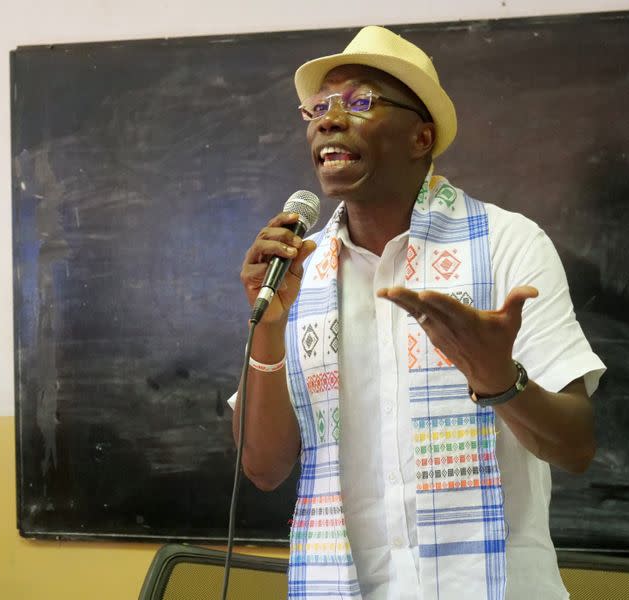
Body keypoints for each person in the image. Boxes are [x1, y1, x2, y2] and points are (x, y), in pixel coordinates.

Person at [231, 25, 606, 600]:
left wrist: (499, 380)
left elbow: (575, 446)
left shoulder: (508, 245)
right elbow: (263, 469)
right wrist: (269, 332)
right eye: (318, 107)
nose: (328, 120)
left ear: (420, 137)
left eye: (359, 102)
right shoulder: (297, 270)